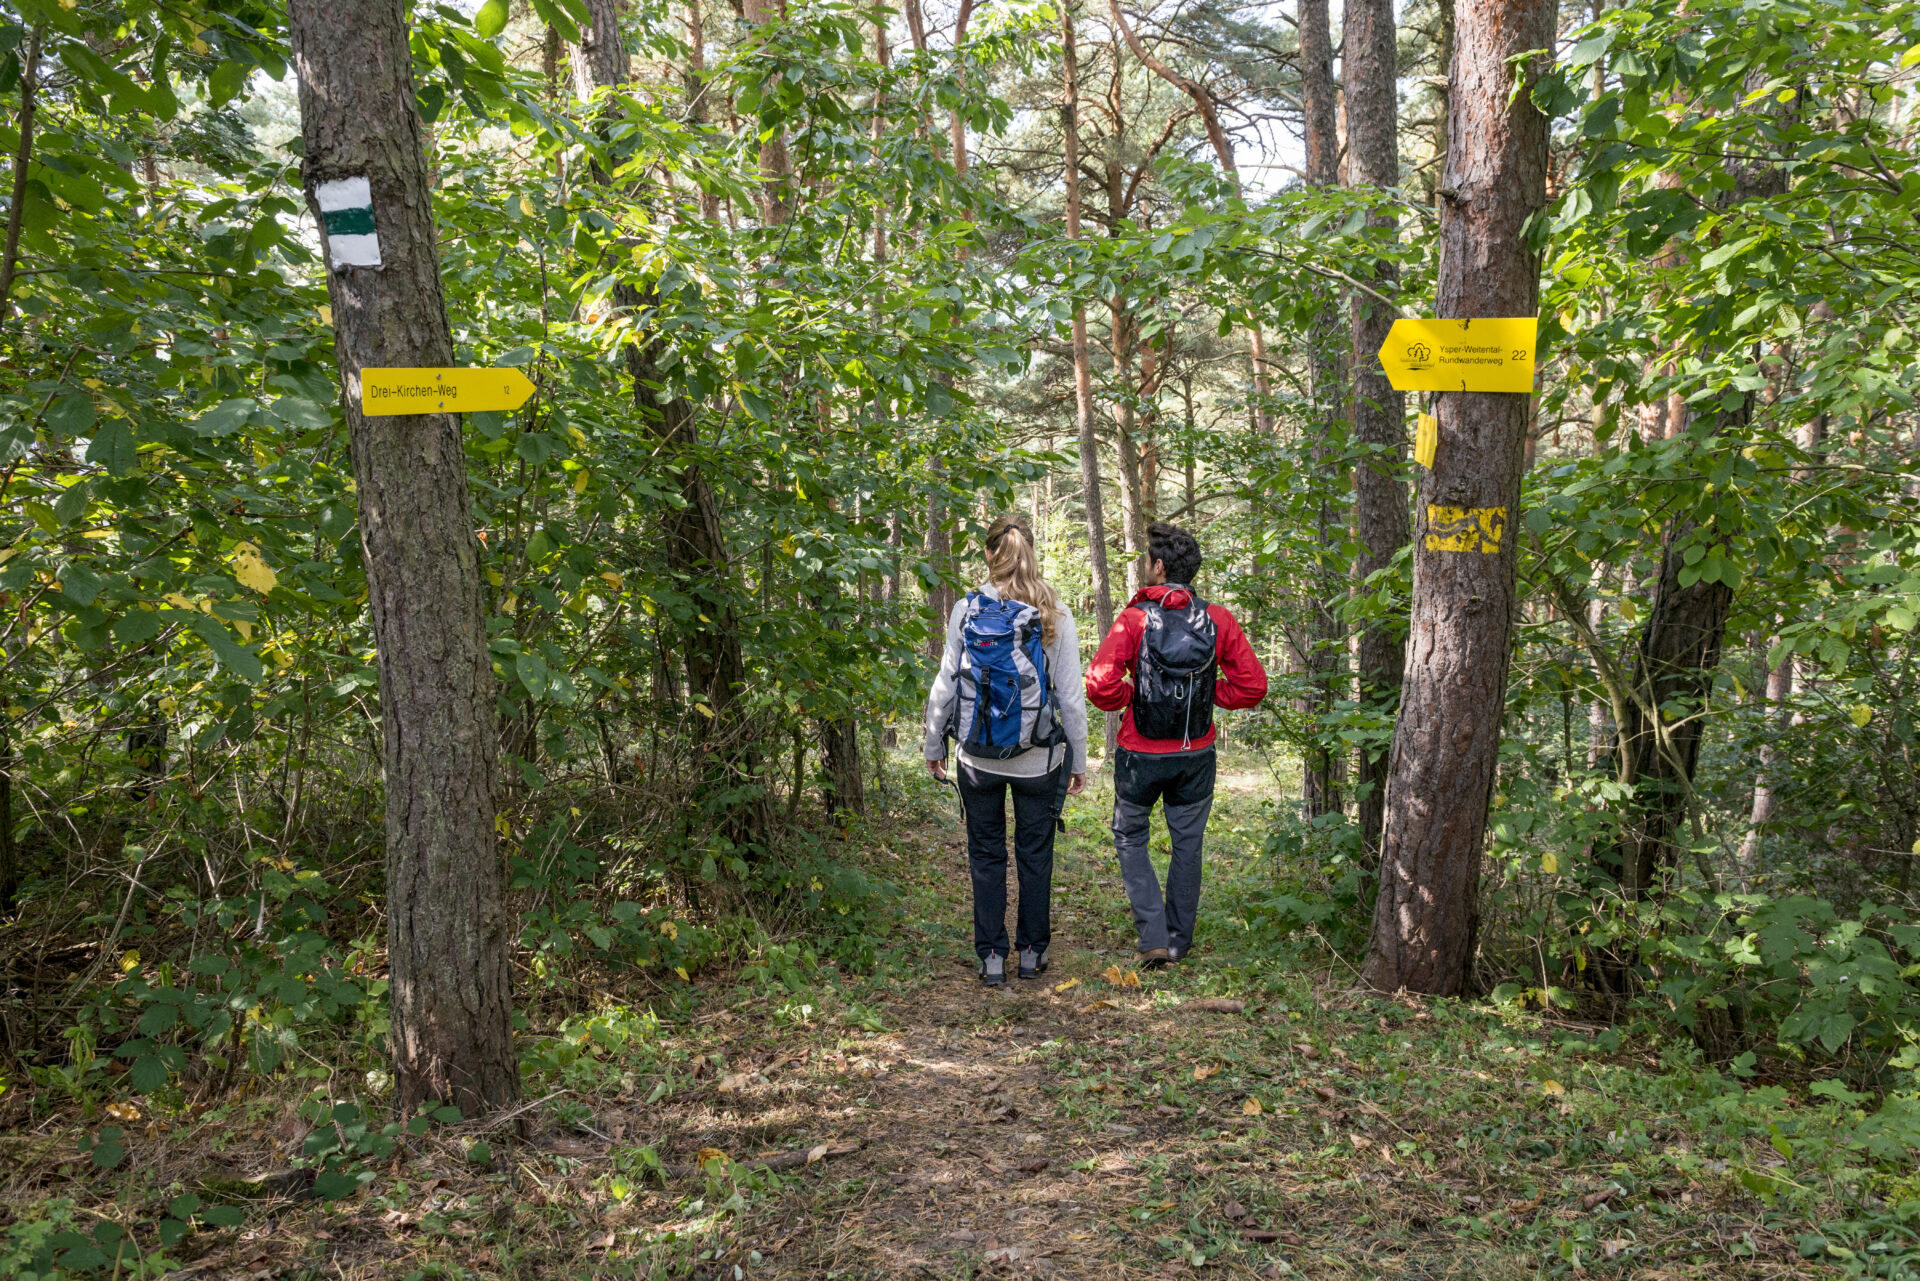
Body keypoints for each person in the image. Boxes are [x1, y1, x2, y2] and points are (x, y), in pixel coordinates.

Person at [1085, 521, 1268, 967]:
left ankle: (1152, 939)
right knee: (1188, 844)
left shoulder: (1133, 619)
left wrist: (1135, 698)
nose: (1145, 566)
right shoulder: (1218, 619)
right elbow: (1252, 686)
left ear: (1160, 567)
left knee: (1130, 837)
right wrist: (1207, 701)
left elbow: (1098, 686)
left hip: (1140, 755)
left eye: (1147, 560)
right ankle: (1178, 942)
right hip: (1195, 755)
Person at [924, 516, 1089, 986]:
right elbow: (1071, 696)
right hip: (1038, 759)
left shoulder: (966, 608)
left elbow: (946, 684)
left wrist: (934, 743)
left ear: (989, 554)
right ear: (1032, 552)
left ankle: (992, 956)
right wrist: (1077, 759)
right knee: (1035, 853)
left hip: (977, 757)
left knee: (986, 853)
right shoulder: (1053, 609)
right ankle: (1032, 953)